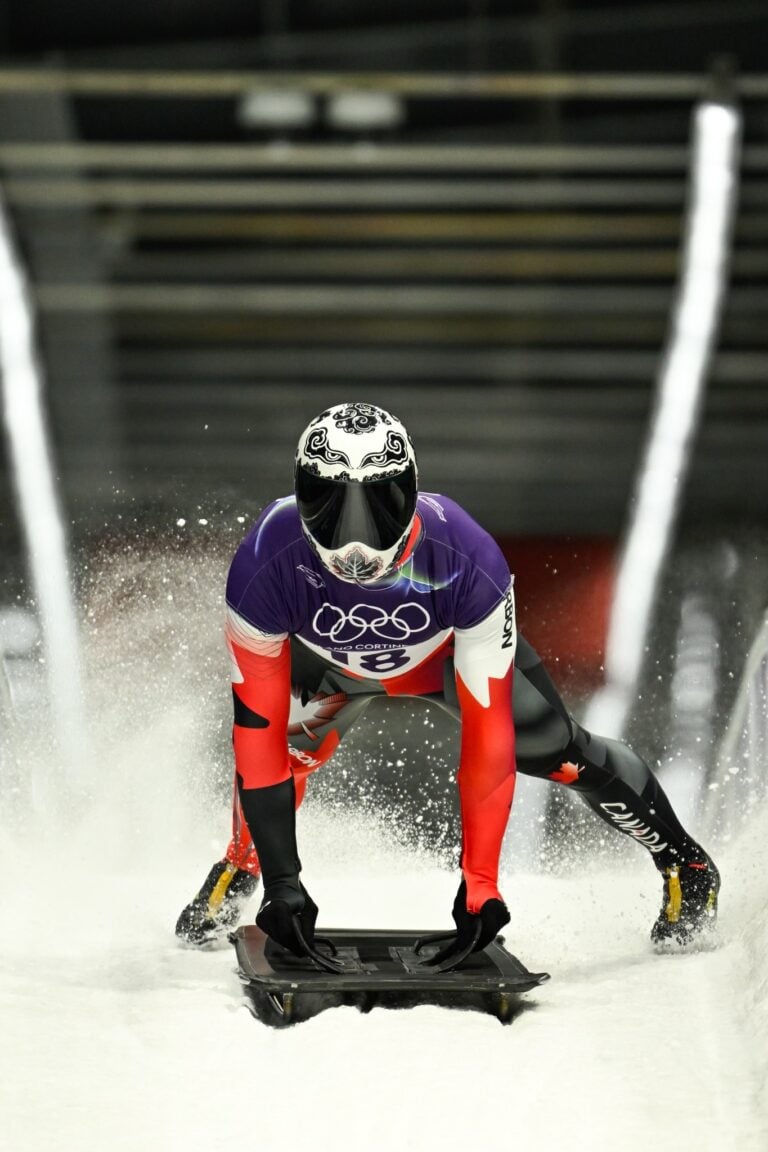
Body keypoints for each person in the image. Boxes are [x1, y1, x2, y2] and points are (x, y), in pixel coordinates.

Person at [176, 401, 720, 964]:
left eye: (377, 508)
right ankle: (245, 864)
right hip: (330, 667)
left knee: (557, 752)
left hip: (447, 660)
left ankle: (686, 862)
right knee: (285, 746)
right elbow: (257, 734)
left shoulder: (466, 556)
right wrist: (283, 882)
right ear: (301, 497)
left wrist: (480, 882)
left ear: (410, 495)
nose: (356, 542)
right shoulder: (263, 562)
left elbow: (489, 740)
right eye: (332, 507)